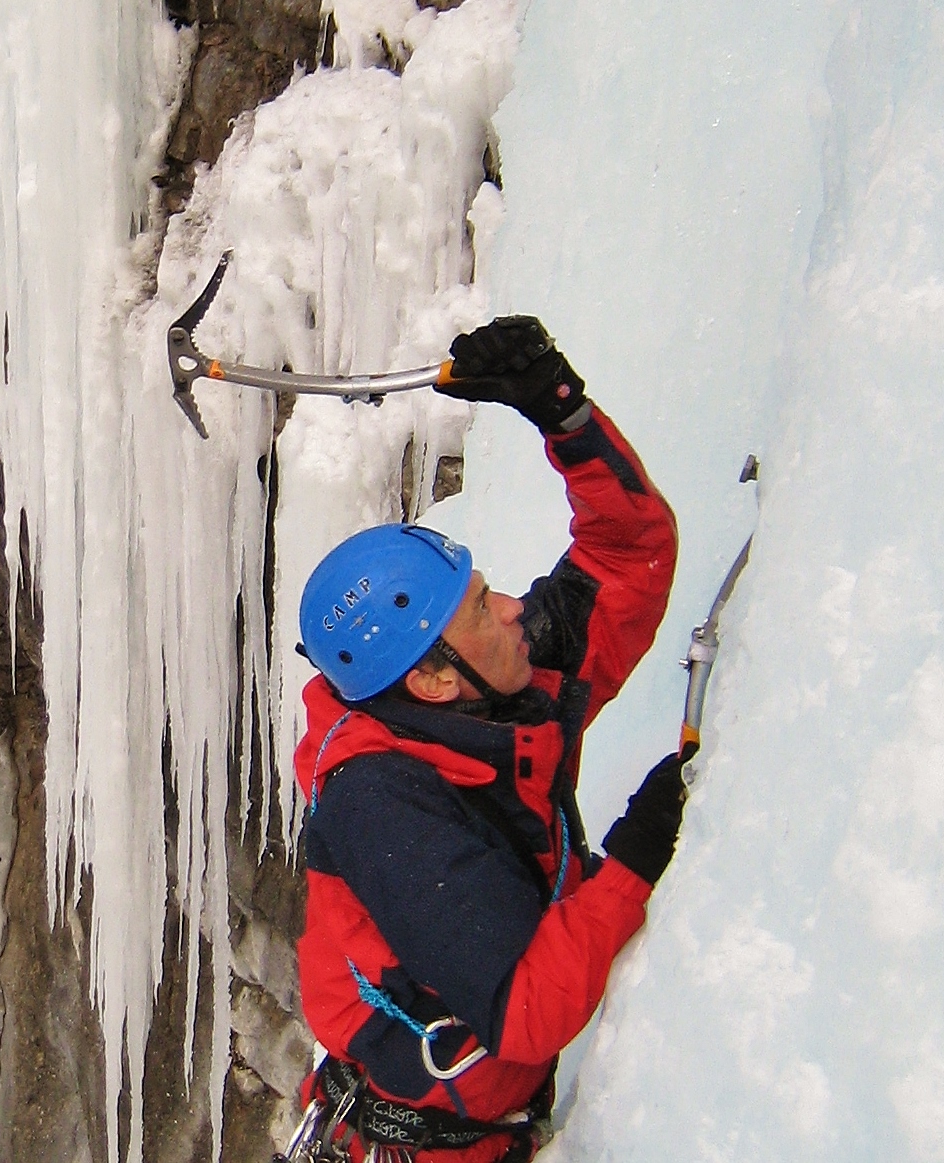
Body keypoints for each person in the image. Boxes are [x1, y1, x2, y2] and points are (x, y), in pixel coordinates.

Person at [290, 317, 686, 1163]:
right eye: (481, 606)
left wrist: (560, 411)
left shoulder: (495, 686)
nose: (511, 608)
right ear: (434, 679)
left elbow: (629, 562)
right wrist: (636, 859)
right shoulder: (380, 804)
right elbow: (528, 1006)